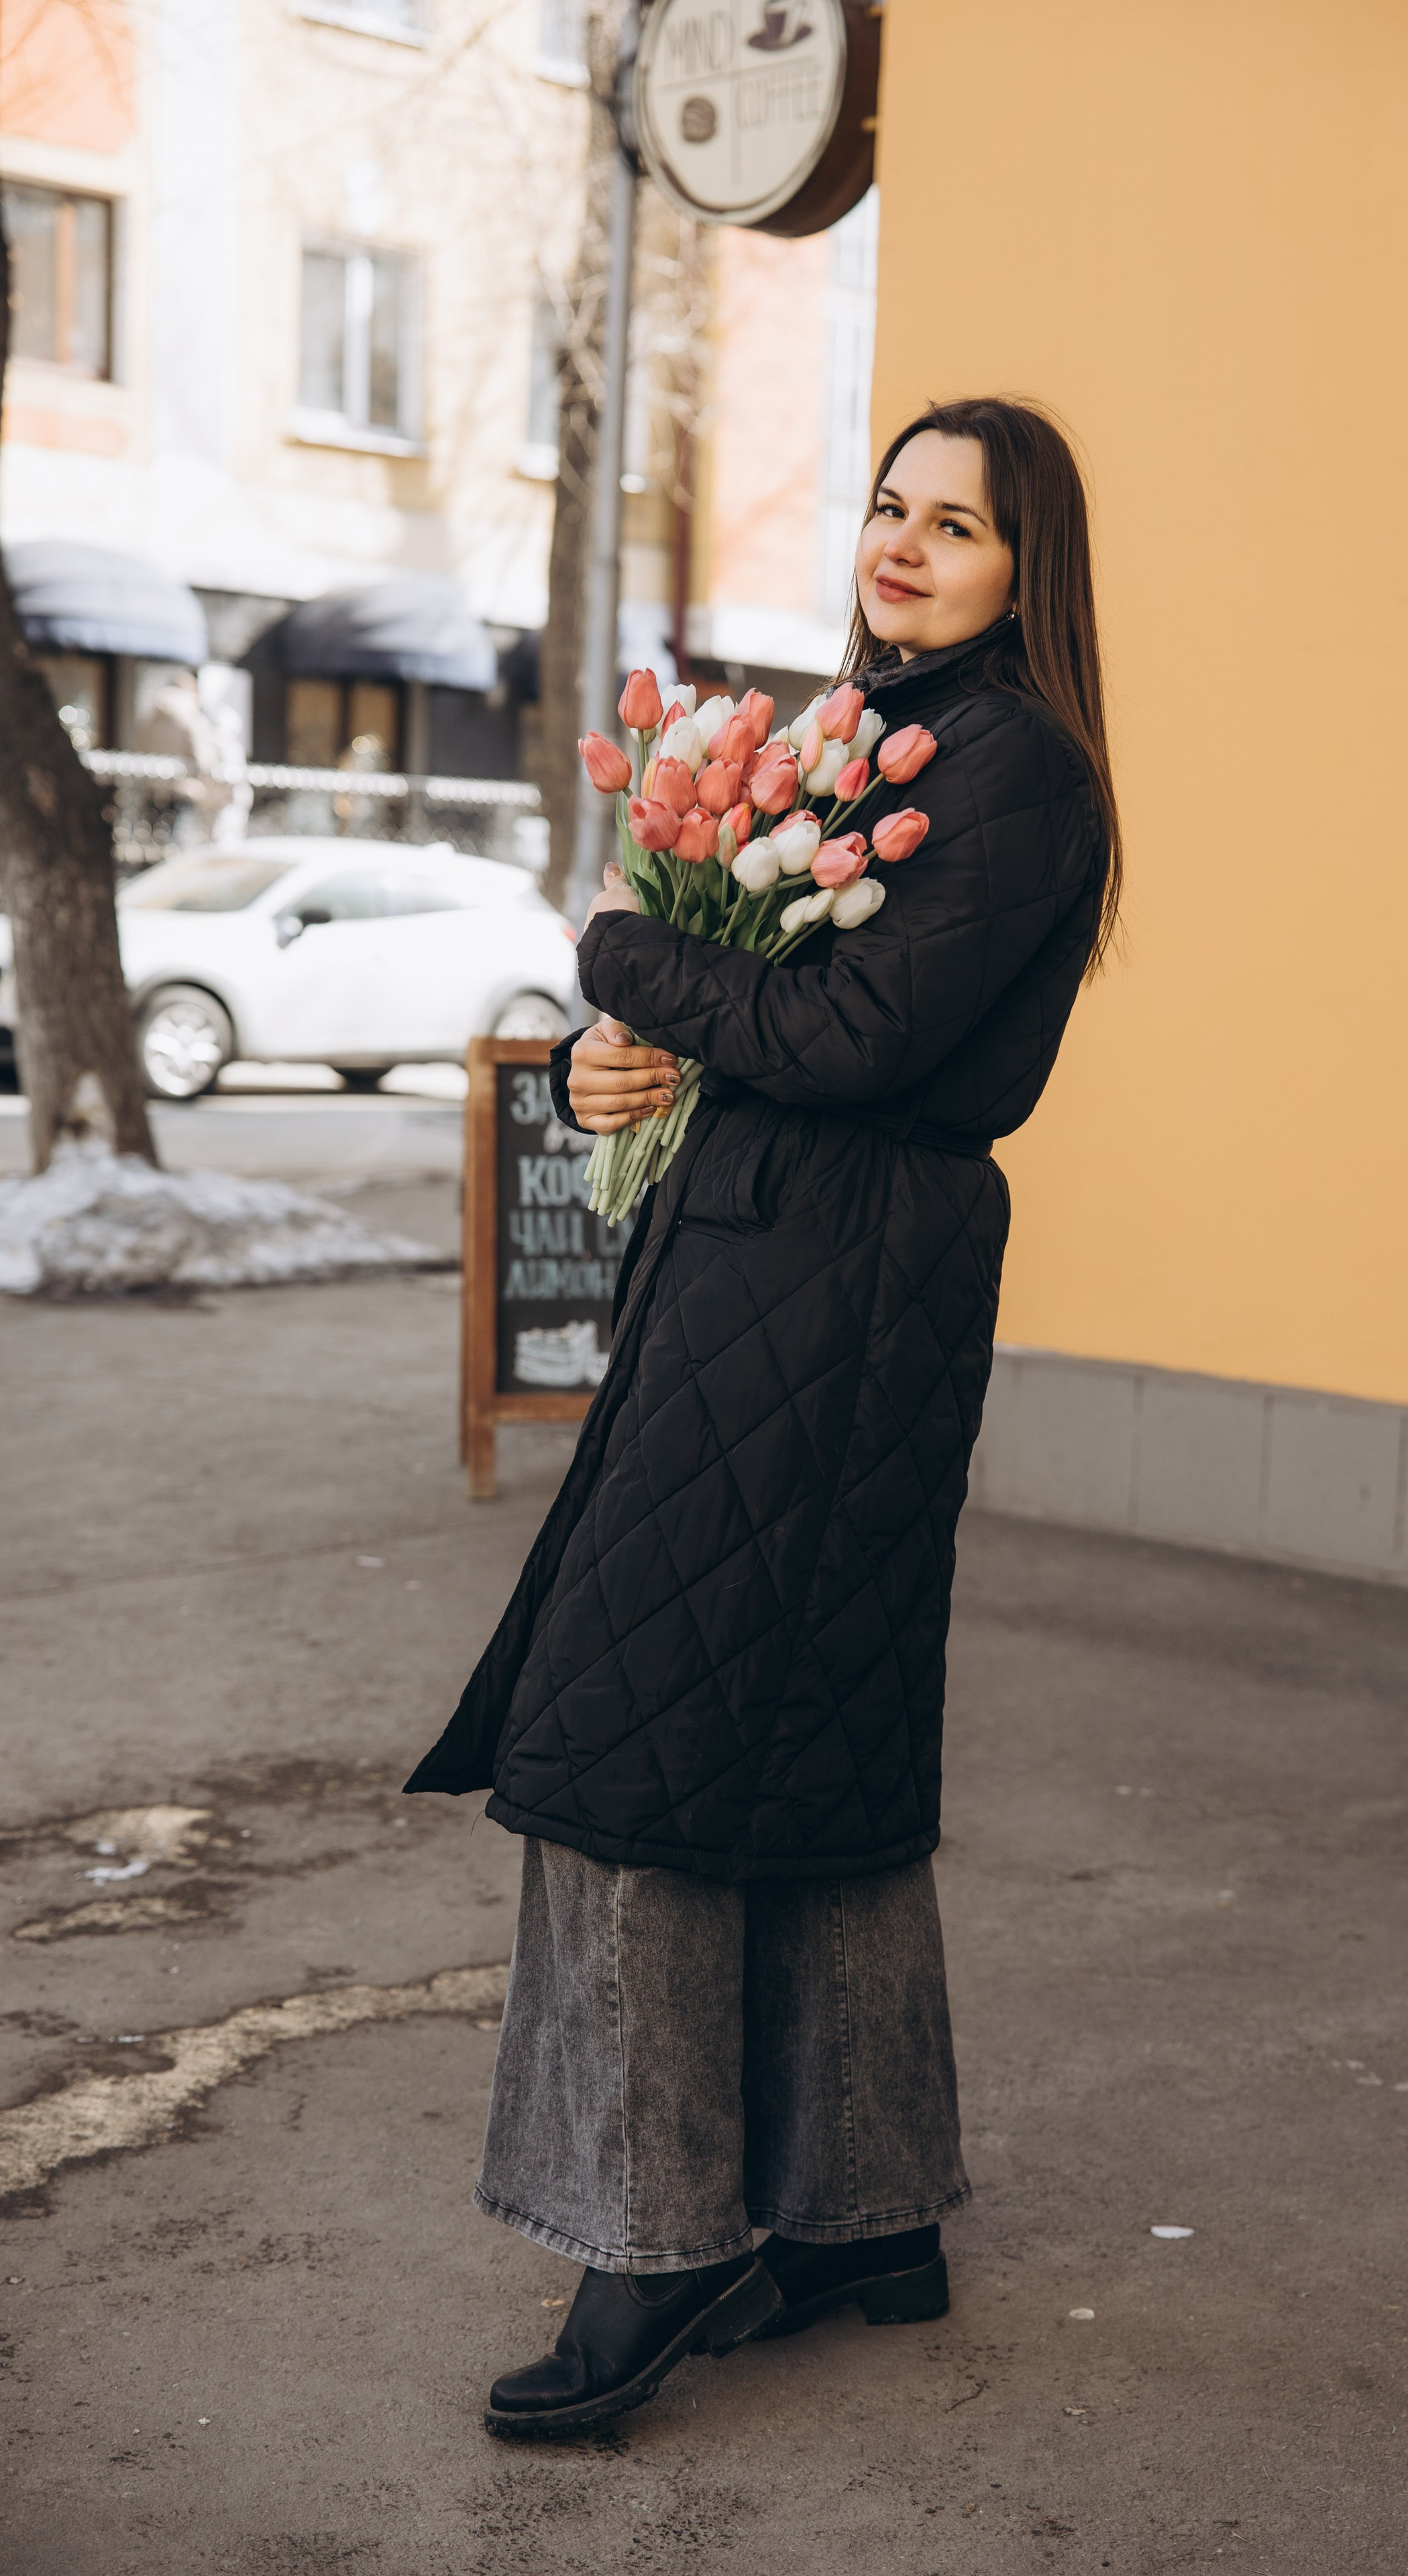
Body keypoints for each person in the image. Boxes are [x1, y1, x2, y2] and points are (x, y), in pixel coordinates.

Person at [405, 396, 1124, 2436]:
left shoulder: (1016, 769)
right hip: (785, 1261)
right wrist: (606, 1067)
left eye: (955, 525)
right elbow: (740, 1030)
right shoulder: (867, 731)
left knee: (633, 1738)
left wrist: (621, 947)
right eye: (889, 507)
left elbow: (852, 1027)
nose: (900, 545)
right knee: (808, 1725)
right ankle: (861, 2212)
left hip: (838, 1279)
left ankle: (656, 2235)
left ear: (1027, 570)